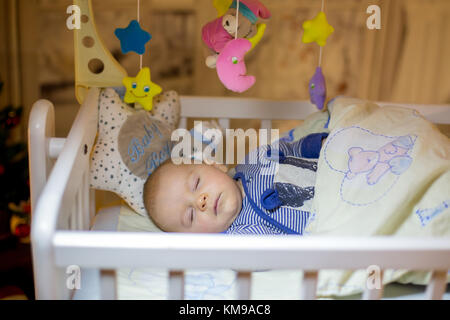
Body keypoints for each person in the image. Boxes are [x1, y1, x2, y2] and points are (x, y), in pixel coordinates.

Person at [143, 132, 328, 235]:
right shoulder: (241, 236)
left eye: (197, 183)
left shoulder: (254, 160)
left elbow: (290, 148)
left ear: (214, 165)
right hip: (337, 223)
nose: (200, 201)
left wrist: (319, 144)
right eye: (190, 216)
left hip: (339, 172)